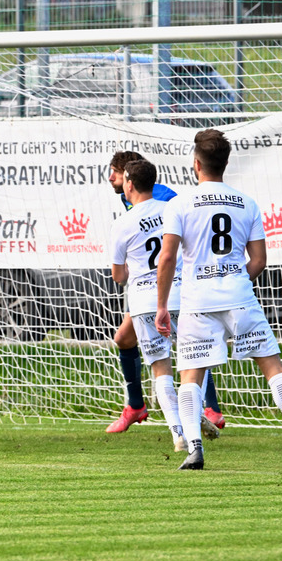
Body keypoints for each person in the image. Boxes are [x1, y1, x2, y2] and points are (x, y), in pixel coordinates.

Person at [155, 129, 282, 470]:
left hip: (197, 302)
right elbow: (260, 260)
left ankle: (195, 448)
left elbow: (167, 257)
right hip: (239, 297)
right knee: (271, 365)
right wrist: (234, 280)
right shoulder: (246, 203)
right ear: (225, 164)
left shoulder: (179, 204)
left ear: (196, 164)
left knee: (191, 375)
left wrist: (163, 306)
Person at [105, 150, 225, 435]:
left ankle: (207, 410)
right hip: (156, 287)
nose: (111, 178)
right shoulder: (132, 202)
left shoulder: (166, 201)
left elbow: (180, 241)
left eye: (115, 172)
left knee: (181, 356)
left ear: (129, 180)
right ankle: (137, 406)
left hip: (167, 287)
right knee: (124, 338)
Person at [108, 160, 187, 452]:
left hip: (143, 303)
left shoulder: (122, 224)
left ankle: (178, 434)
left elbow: (118, 276)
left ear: (129, 184)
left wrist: (135, 272)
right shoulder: (172, 210)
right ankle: (197, 417)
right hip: (180, 294)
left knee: (160, 368)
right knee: (192, 362)